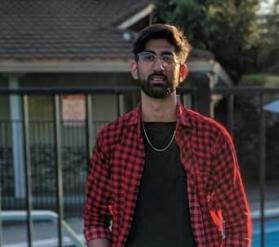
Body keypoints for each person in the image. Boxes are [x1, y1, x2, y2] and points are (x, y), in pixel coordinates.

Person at [83, 23, 252, 247]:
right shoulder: (112, 138)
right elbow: (95, 217)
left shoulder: (212, 137)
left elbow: (237, 221)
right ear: (135, 68)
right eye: (148, 57)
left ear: (181, 72)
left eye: (167, 57)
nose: (158, 66)